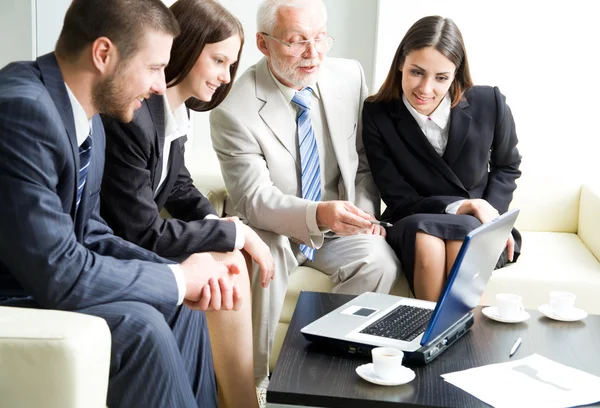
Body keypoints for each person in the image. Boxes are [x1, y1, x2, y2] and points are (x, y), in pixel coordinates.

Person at [0, 0, 241, 407]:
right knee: (143, 325)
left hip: (41, 277)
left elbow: (90, 232)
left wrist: (179, 274)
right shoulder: (23, 111)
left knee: (182, 307)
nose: (161, 86)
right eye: (153, 68)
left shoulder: (87, 112)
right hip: (15, 290)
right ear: (103, 54)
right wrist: (179, 279)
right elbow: (59, 270)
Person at [210, 0, 401, 388]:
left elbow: (365, 160)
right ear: (264, 44)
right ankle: (254, 384)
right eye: (297, 41)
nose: (313, 53)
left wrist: (362, 216)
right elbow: (253, 198)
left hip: (338, 226)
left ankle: (327, 374)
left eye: (319, 38)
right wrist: (318, 214)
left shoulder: (349, 77)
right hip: (273, 225)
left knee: (379, 261)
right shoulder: (231, 105)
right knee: (261, 261)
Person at [99, 1, 272, 407]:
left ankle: (238, 398)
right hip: (119, 251)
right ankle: (242, 401)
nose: (225, 76)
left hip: (137, 243)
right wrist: (234, 231)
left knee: (228, 258)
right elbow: (141, 231)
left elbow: (176, 184)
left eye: (231, 64)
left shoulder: (175, 111)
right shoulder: (133, 116)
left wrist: (222, 226)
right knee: (223, 264)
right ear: (187, 46)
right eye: (218, 60)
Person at [362, 16, 522, 302]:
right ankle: (427, 340)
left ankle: (451, 341)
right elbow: (398, 198)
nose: (425, 89)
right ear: (401, 62)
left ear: (456, 73)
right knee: (428, 243)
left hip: (477, 222)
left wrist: (491, 218)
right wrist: (464, 205)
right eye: (416, 72)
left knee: (464, 240)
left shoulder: (490, 102)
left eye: (441, 78)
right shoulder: (377, 114)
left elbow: (507, 166)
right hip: (414, 218)